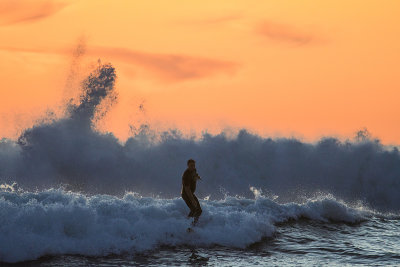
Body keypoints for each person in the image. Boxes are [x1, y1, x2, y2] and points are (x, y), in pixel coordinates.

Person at [181, 159, 202, 224]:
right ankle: (188, 224)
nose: (193, 167)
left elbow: (194, 175)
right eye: (191, 165)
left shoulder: (194, 170)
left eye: (194, 165)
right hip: (186, 194)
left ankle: (193, 223)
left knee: (199, 210)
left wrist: (197, 177)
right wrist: (192, 200)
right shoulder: (186, 175)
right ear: (188, 165)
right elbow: (187, 189)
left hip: (191, 193)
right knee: (194, 209)